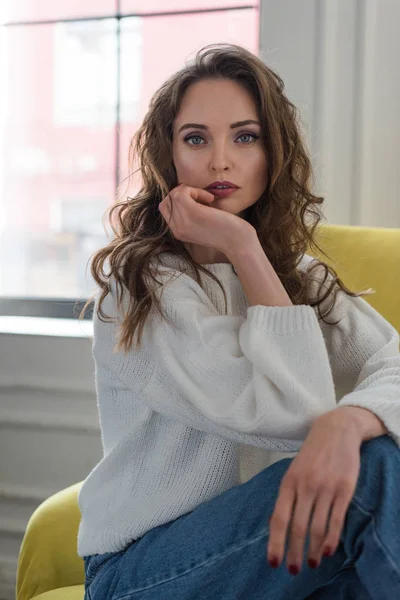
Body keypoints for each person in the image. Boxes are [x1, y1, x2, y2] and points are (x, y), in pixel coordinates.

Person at [77, 43, 400, 599]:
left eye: (245, 137)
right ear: (168, 156)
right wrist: (242, 244)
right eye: (196, 138)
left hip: (261, 552)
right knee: (374, 470)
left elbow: (391, 363)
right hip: (141, 570)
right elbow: (291, 414)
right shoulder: (139, 290)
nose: (220, 160)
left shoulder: (298, 277)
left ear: (272, 153)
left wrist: (351, 420)